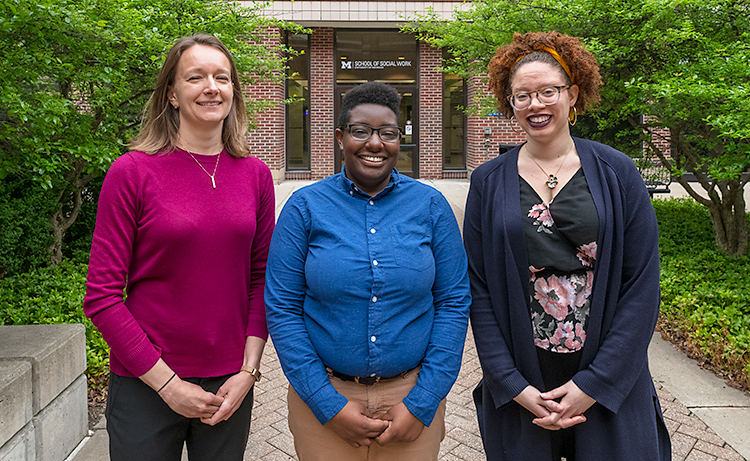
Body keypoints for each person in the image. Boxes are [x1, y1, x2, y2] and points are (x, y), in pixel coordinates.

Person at [464, 31, 671, 460]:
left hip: (606, 370)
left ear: (572, 94)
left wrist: (595, 384)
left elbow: (641, 283)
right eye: (522, 96)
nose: (535, 104)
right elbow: (478, 287)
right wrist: (509, 382)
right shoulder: (487, 181)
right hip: (525, 374)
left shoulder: (617, 171)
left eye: (547, 92)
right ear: (510, 103)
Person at [83, 34, 274, 460]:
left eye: (222, 77)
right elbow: (102, 297)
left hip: (228, 385)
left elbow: (262, 277)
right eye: (196, 77)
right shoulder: (132, 172)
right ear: (171, 94)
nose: (212, 87)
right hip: (145, 382)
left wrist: (249, 370)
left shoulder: (255, 175)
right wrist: (168, 385)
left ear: (233, 91)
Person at [265, 82, 471, 461]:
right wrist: (326, 403)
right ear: (341, 137)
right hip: (325, 401)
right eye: (361, 131)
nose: (374, 144)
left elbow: (454, 302)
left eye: (387, 133)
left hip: (409, 400)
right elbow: (282, 309)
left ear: (399, 139)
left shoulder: (430, 206)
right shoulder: (304, 208)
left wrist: (423, 401)